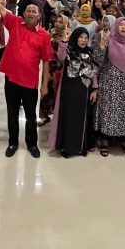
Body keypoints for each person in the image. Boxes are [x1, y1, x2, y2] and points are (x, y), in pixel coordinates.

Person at [0, 0, 54, 158]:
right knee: (12, 112)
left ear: (39, 15)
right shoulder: (15, 23)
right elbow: (1, 10)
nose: (31, 13)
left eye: (34, 11)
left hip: (30, 81)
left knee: (31, 115)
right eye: (28, 10)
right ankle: (13, 142)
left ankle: (32, 144)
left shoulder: (44, 35)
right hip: (11, 78)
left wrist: (44, 84)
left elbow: (46, 61)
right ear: (23, 13)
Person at [47, 26, 99, 158]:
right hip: (70, 90)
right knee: (70, 118)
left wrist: (94, 89)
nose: (83, 40)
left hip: (84, 90)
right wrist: (64, 40)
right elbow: (60, 57)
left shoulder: (90, 52)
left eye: (86, 38)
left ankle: (81, 147)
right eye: (81, 37)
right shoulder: (69, 50)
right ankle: (67, 147)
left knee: (82, 119)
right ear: (75, 38)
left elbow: (93, 73)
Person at [94, 16, 125, 158]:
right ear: (116, 26)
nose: (124, 27)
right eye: (121, 25)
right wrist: (101, 46)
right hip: (108, 82)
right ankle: (105, 140)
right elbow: (97, 61)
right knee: (108, 110)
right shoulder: (108, 40)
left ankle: (124, 140)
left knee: (124, 110)